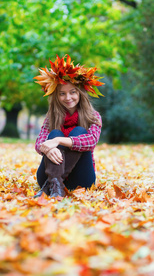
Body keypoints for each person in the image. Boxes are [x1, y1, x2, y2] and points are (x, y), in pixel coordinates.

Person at [34, 55, 104, 198]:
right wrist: (51, 145)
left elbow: (91, 141)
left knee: (78, 132)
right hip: (47, 177)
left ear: (80, 93)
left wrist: (58, 141)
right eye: (62, 94)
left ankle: (52, 185)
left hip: (80, 180)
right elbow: (39, 145)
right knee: (54, 133)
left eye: (73, 92)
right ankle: (55, 183)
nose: (68, 98)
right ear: (56, 96)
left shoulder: (93, 116)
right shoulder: (51, 117)